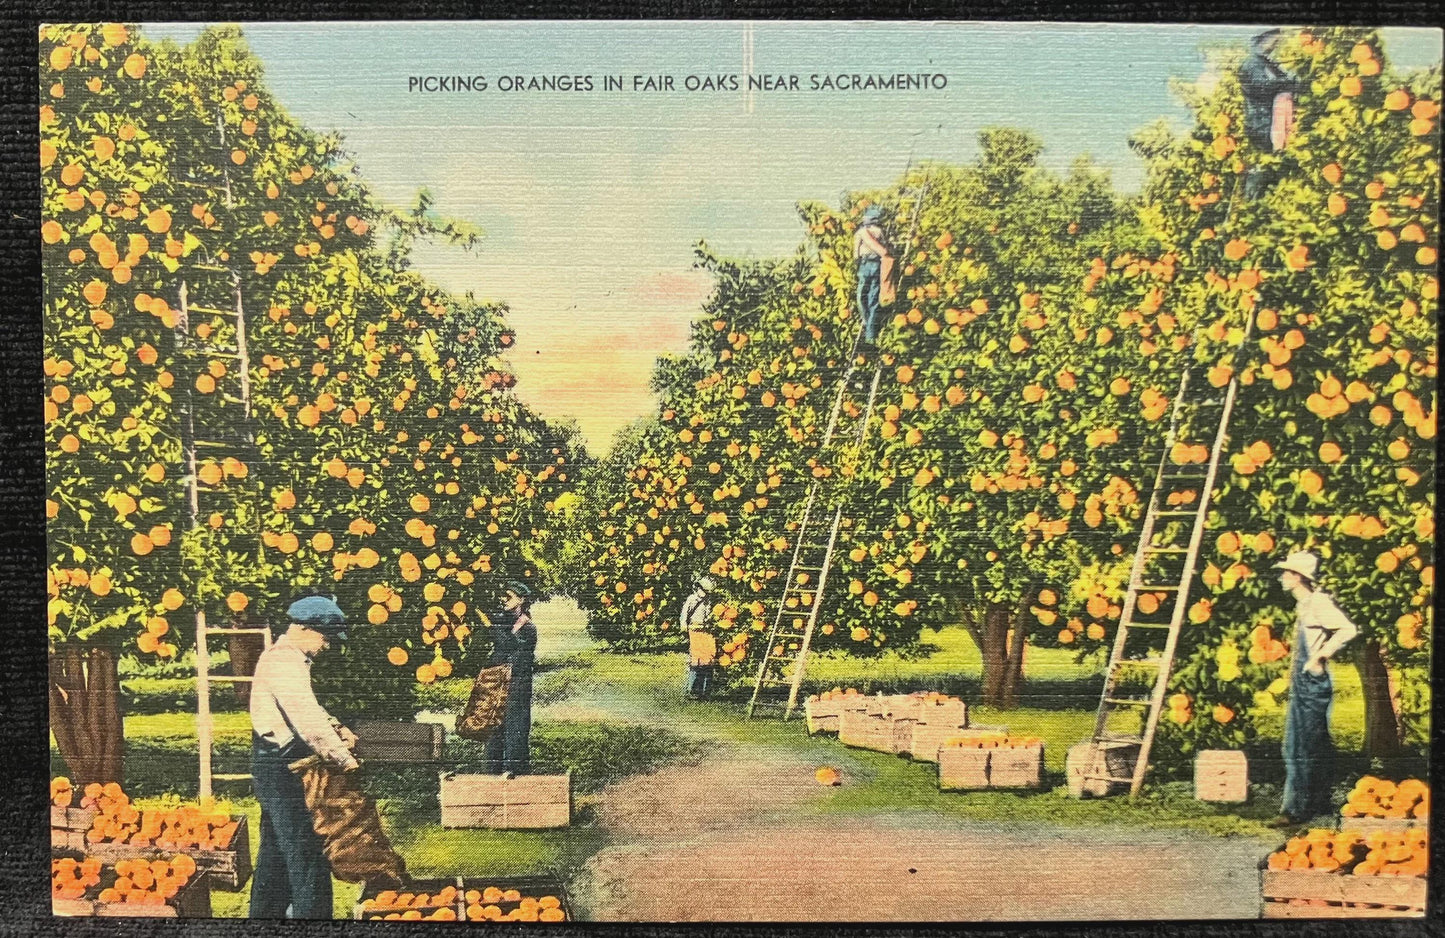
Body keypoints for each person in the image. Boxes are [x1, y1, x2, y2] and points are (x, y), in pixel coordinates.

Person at [249, 593, 359, 919]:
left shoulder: (288, 659)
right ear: (307, 630)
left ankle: (263, 918)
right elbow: (308, 722)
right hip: (282, 765)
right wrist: (345, 760)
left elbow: (310, 709)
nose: (327, 646)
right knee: (306, 851)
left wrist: (337, 726)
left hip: (273, 761)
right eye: (326, 638)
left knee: (275, 853)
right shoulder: (284, 661)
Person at [1270, 550, 1359, 828]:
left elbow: (1347, 629)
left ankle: (1294, 810)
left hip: (1312, 681)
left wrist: (1319, 656)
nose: (1282, 577)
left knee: (1297, 745)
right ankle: (1319, 801)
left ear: (1297, 577)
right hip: (1303, 680)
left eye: (1286, 573)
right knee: (1315, 743)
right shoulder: (1304, 604)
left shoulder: (1318, 602)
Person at [1239, 29, 1306, 200]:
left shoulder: (1269, 64)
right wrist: (1289, 82)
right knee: (1266, 166)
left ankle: (1264, 200)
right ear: (1260, 41)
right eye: (1272, 41)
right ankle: (1252, 201)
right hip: (1262, 124)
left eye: (1276, 42)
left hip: (1273, 123)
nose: (1275, 45)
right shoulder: (1251, 64)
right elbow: (1261, 86)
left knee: (1275, 167)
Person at [484, 581, 537, 776]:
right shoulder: (506, 622)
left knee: (516, 727)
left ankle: (515, 771)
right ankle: (492, 771)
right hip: (500, 683)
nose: (504, 600)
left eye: (509, 597)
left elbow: (509, 647)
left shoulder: (528, 628)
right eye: (503, 596)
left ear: (521, 600)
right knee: (494, 728)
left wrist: (491, 626)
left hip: (517, 686)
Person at [853, 206, 893, 354]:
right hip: (877, 264)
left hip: (864, 264)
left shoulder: (860, 233)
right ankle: (871, 333)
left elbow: (855, 254)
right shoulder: (880, 232)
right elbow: (885, 248)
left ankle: (866, 321)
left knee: (861, 295)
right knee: (873, 298)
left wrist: (858, 264)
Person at [680, 577, 716, 699]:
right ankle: (693, 690)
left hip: (705, 630)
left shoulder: (708, 601)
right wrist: (684, 626)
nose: (705, 594)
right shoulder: (692, 599)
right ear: (699, 588)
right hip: (695, 630)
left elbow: (708, 615)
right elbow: (684, 614)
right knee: (697, 660)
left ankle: (706, 691)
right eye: (704, 591)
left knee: (709, 659)